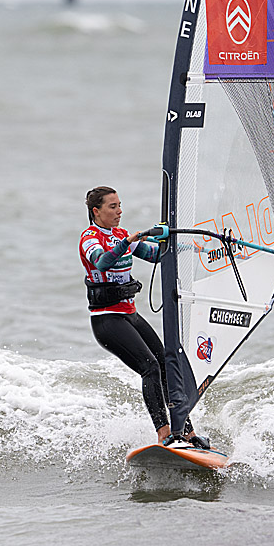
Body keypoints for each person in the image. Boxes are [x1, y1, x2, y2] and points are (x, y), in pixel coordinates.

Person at [79, 186, 209, 448]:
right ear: (97, 211)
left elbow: (155, 255)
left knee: (165, 363)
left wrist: (188, 246)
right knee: (149, 367)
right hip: (107, 320)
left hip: (130, 316)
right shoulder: (90, 238)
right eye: (112, 207)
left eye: (119, 205)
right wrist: (126, 243)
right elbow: (101, 262)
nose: (119, 211)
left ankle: (186, 431)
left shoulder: (120, 234)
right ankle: (163, 433)